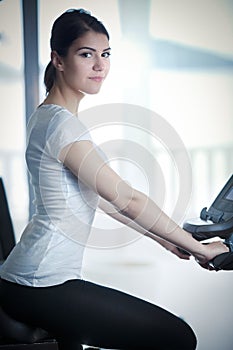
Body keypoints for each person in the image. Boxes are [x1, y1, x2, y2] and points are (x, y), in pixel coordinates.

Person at [0, 9, 228, 350]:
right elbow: (128, 198)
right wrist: (202, 249)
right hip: (41, 282)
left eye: (105, 54)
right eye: (86, 54)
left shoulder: (47, 116)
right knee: (177, 338)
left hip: (29, 278)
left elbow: (103, 201)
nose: (99, 66)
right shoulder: (62, 127)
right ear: (58, 60)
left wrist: (165, 240)